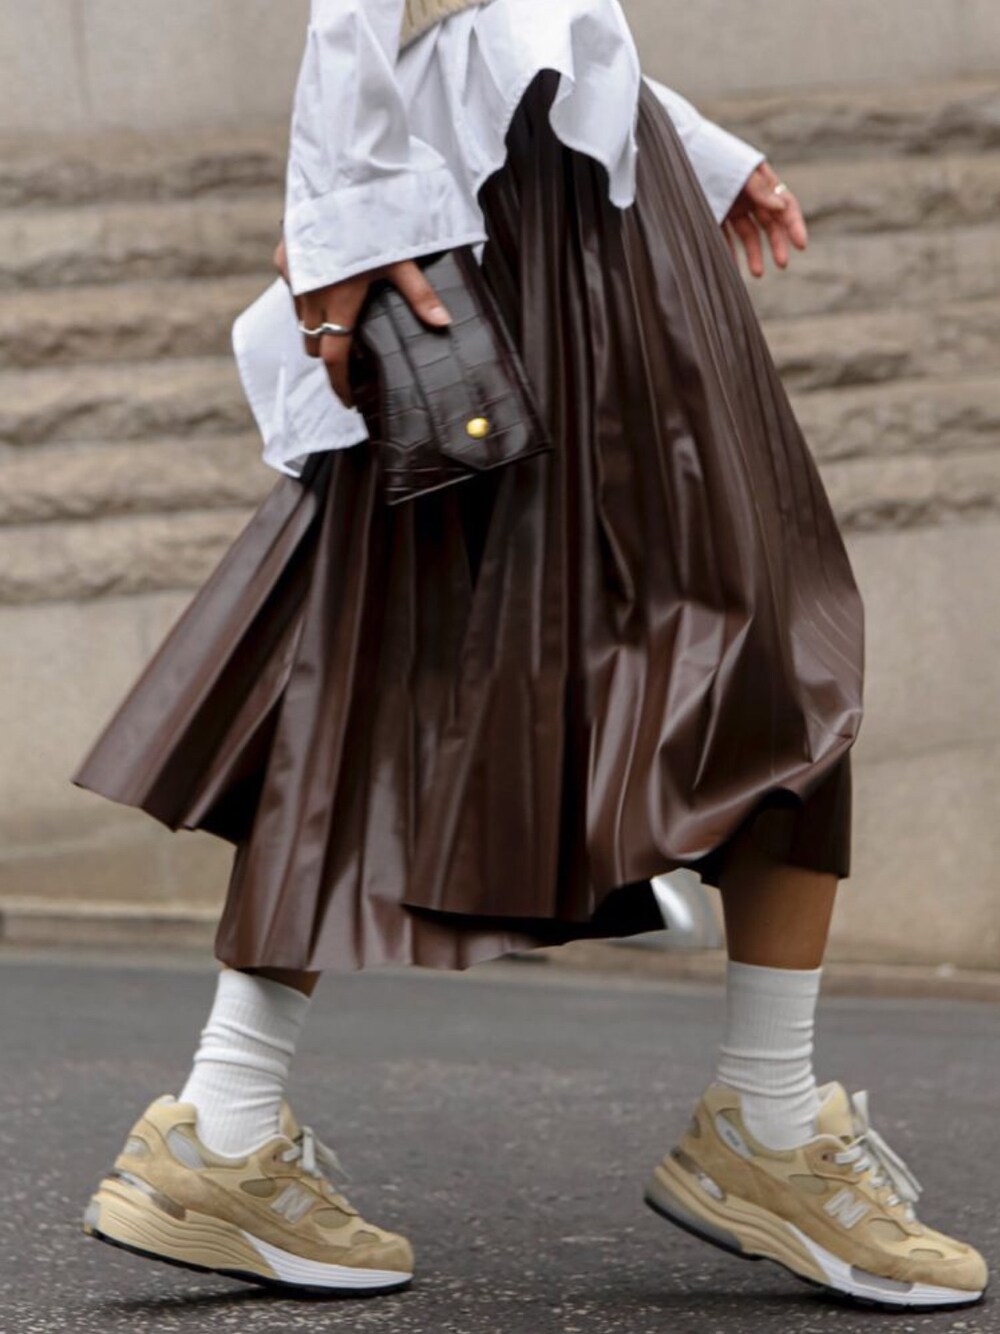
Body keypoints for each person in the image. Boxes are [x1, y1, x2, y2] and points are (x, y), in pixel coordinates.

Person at [75, 0, 987, 1311]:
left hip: (576, 181)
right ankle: (764, 1122)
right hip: (511, 202)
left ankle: (227, 1123)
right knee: (470, 642)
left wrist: (686, 142)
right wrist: (346, 214)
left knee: (499, 643)